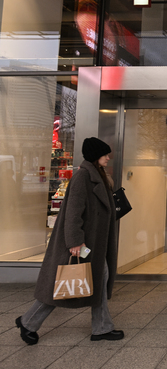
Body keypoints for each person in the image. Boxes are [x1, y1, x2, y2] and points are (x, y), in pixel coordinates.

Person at [15, 137, 124, 345]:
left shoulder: (98, 176)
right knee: (62, 287)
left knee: (97, 278)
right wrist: (75, 242)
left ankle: (101, 327)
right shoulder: (83, 177)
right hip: (81, 243)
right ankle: (28, 322)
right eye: (105, 154)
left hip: (93, 242)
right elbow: (73, 213)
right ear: (95, 156)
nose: (108, 158)